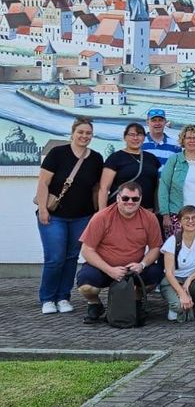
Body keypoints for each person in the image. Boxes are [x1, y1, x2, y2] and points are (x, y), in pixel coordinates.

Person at [35, 116, 104, 315]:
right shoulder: (58, 153)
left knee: (72, 257)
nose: (84, 136)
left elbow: (97, 188)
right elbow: (43, 183)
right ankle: (48, 298)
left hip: (82, 217)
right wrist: (43, 209)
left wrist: (98, 213)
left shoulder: (96, 158)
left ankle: (64, 297)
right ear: (73, 133)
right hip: (55, 216)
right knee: (55, 257)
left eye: (88, 133)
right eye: (80, 132)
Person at [76, 182, 164, 324]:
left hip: (133, 270)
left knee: (155, 274)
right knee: (86, 286)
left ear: (141, 199)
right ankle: (95, 304)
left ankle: (135, 300)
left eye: (135, 199)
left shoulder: (150, 218)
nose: (130, 202)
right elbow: (87, 250)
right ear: (118, 198)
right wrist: (109, 270)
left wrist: (142, 264)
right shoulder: (101, 217)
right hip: (104, 267)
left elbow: (155, 248)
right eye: (125, 198)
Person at [98, 123, 160, 211]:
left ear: (144, 138)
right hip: (120, 210)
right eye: (132, 135)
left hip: (146, 212)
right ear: (125, 137)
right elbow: (104, 188)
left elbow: (155, 187)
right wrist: (102, 214)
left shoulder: (152, 158)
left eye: (139, 134)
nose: (135, 138)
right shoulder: (115, 158)